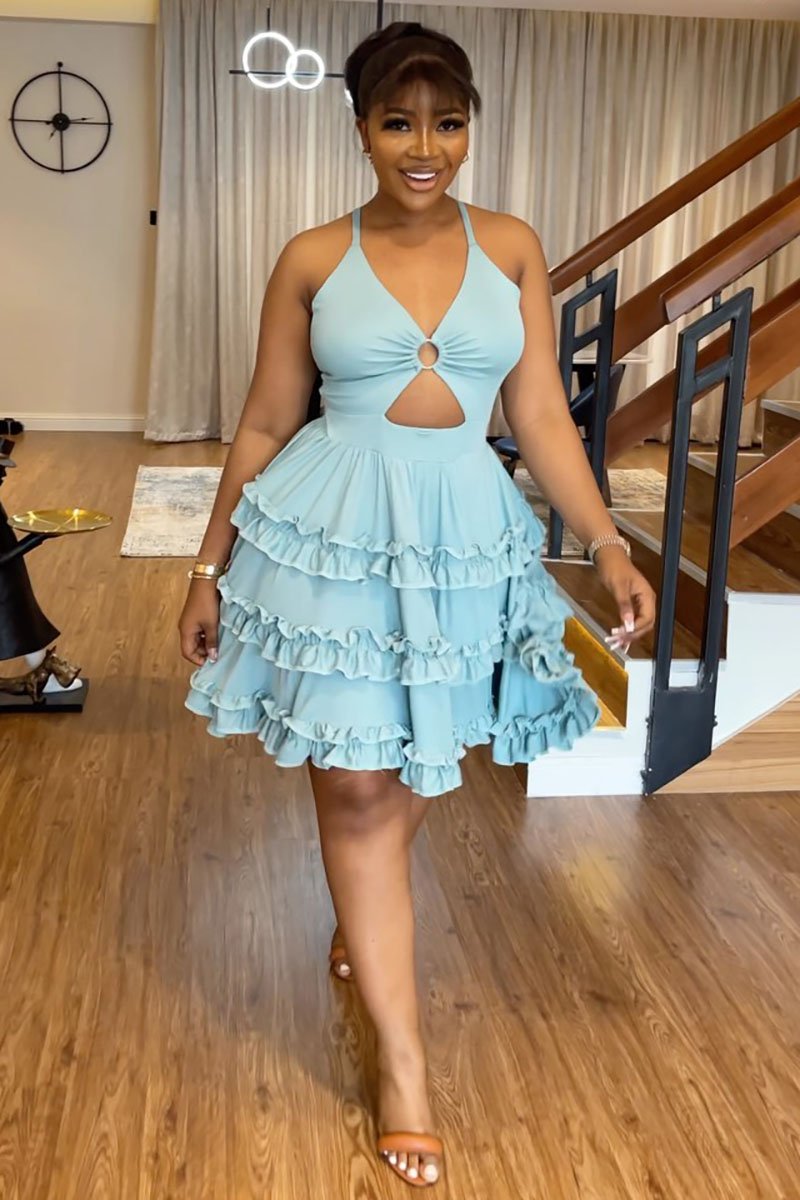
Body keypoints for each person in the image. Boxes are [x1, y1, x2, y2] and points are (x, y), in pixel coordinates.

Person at [178, 20, 656, 1190]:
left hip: (461, 541)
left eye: (445, 122)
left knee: (416, 766)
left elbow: (536, 413)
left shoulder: (511, 246)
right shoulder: (310, 256)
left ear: (468, 128)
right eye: (398, 122)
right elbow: (263, 420)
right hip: (334, 535)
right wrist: (206, 566)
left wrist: (603, 542)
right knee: (353, 784)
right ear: (360, 130)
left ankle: (363, 915)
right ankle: (403, 1066)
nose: (423, 146)